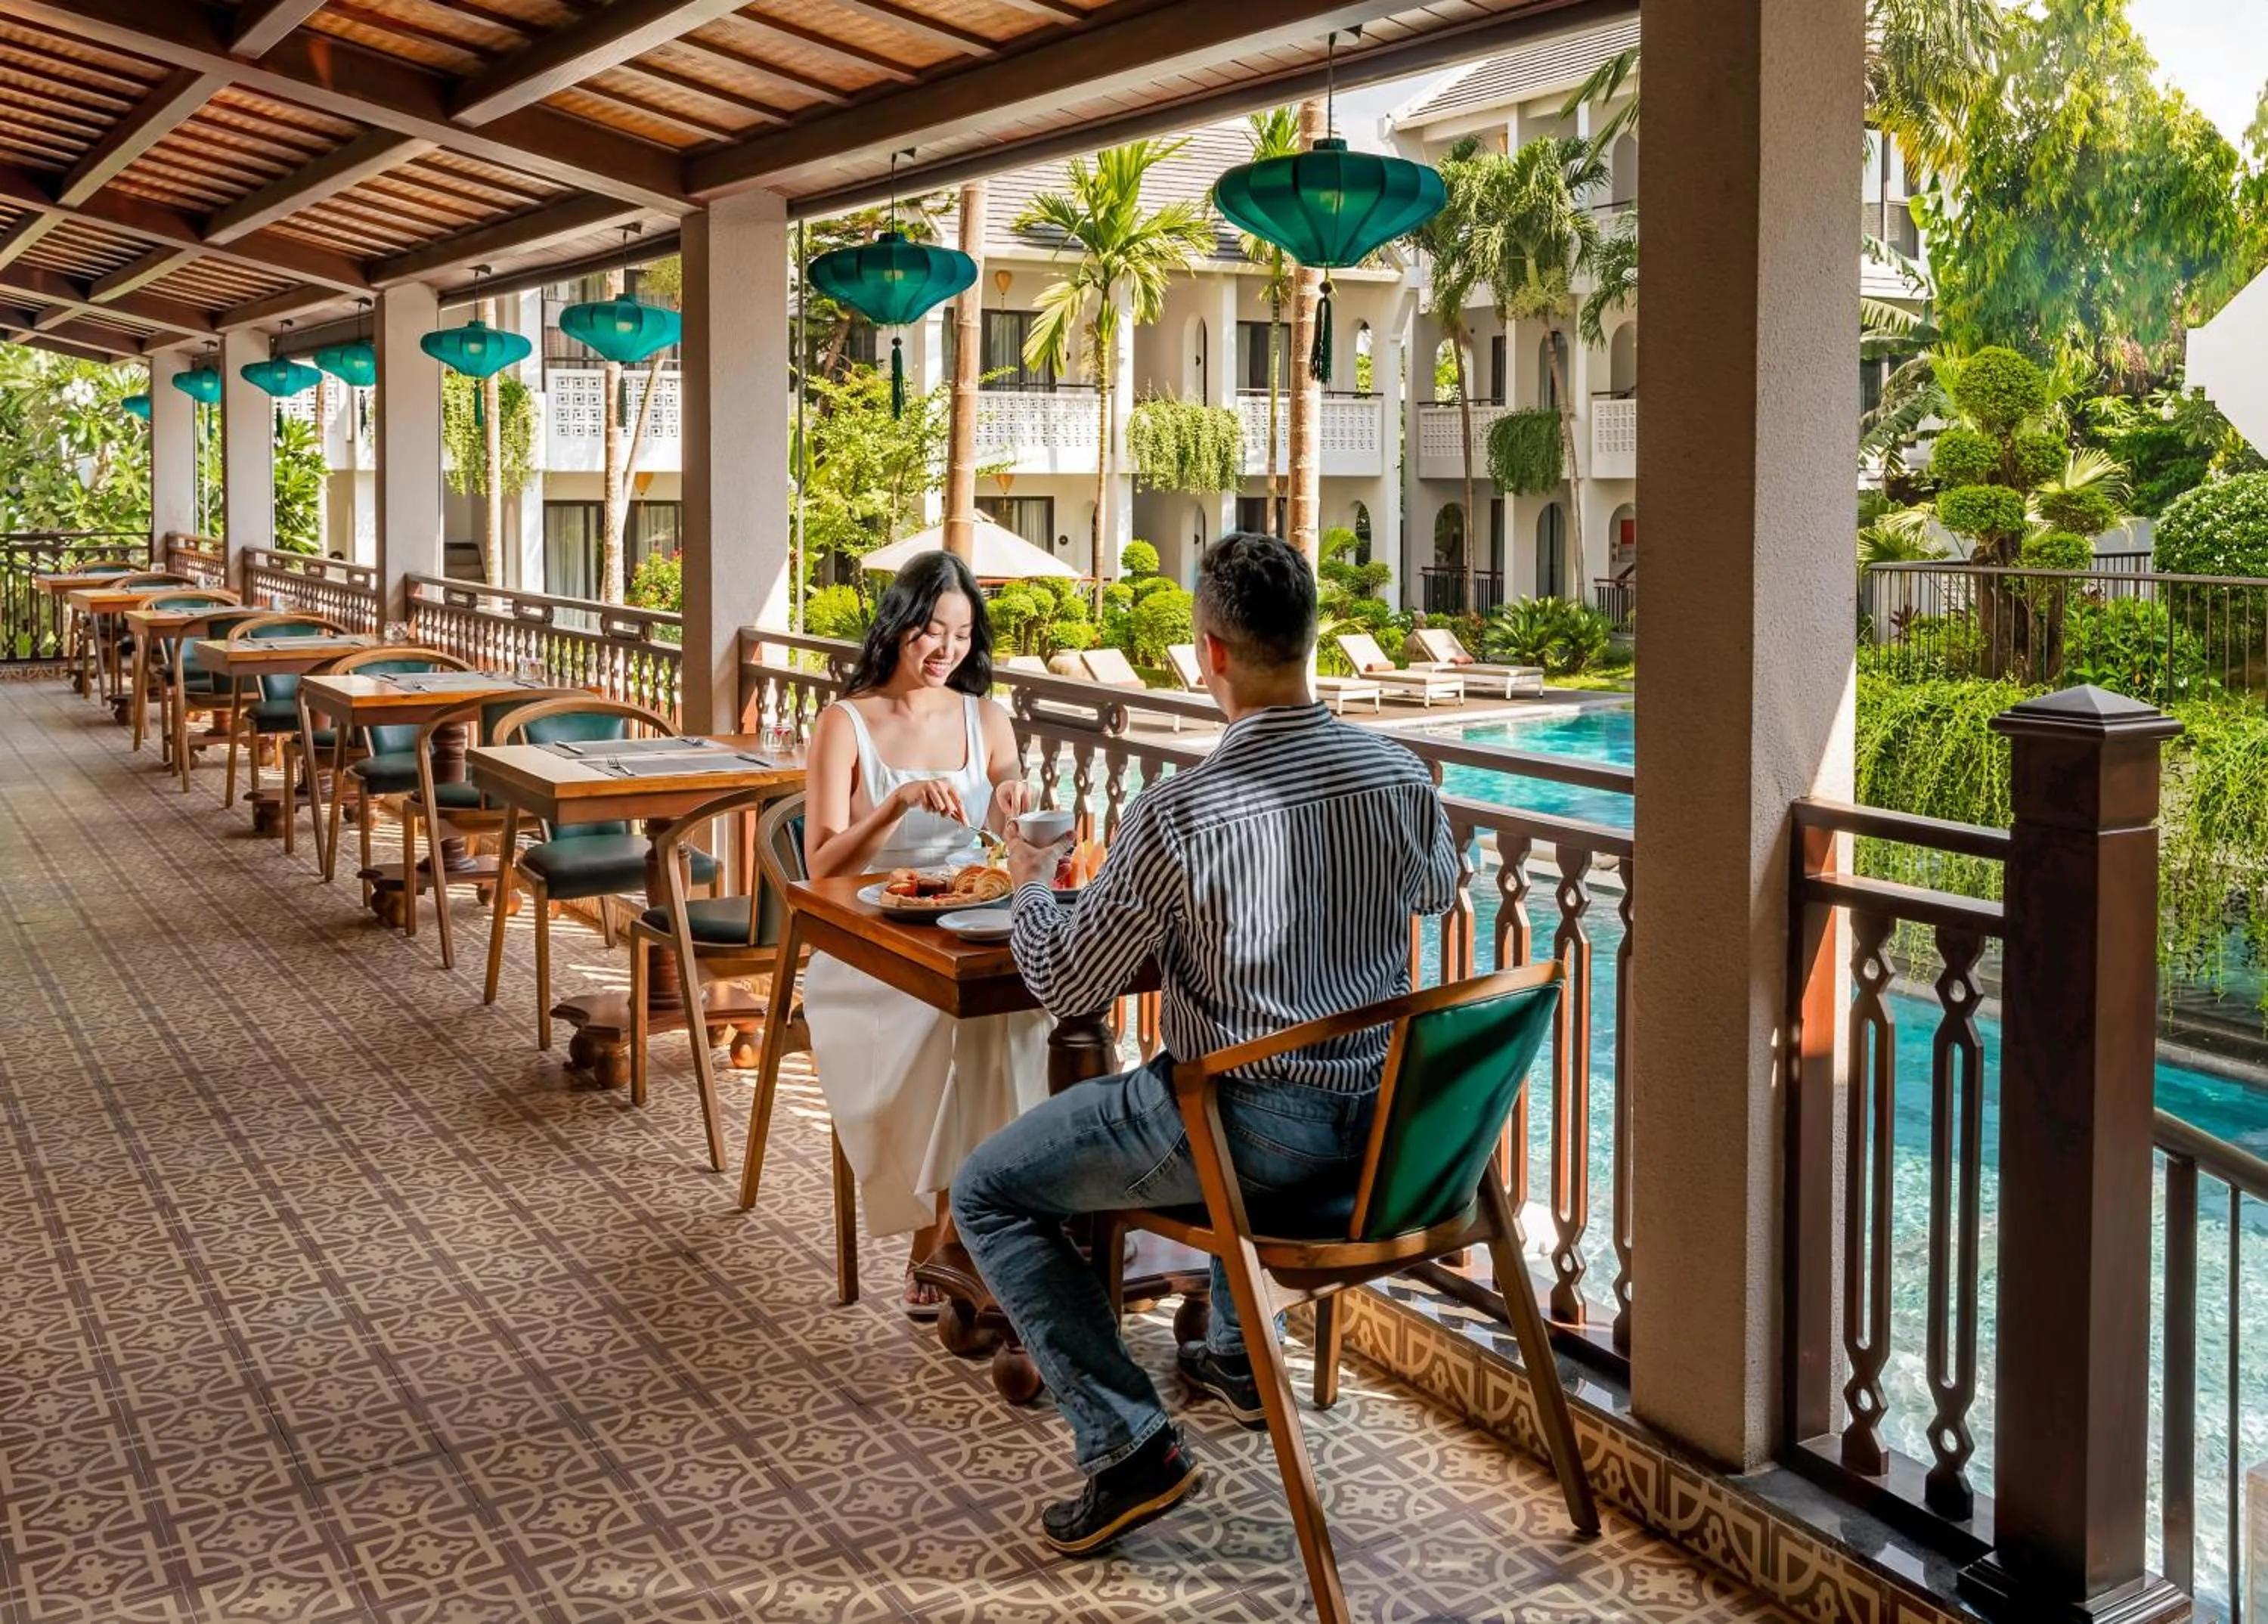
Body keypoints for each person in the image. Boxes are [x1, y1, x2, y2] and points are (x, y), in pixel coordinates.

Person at [952, 532, 1463, 1554]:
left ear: (1210, 653)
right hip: (1386, 1140)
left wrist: (1028, 881)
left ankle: (1131, 1443)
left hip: (1252, 1142)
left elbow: (1066, 982)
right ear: (1310, 639)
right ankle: (1233, 1356)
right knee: (1232, 1058)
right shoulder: (1398, 775)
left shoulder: (1179, 814)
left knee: (988, 1194)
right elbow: (1438, 889)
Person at [801, 550, 1048, 1317]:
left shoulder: (988, 719)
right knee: (949, 1032)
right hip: (868, 945)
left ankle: (977, 1228)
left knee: (1028, 1017)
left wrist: (1013, 805)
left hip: (966, 931)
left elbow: (1008, 845)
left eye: (962, 634)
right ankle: (940, 1237)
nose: (946, 650)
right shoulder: (845, 723)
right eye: (930, 630)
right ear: (898, 625)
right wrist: (895, 804)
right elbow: (821, 865)